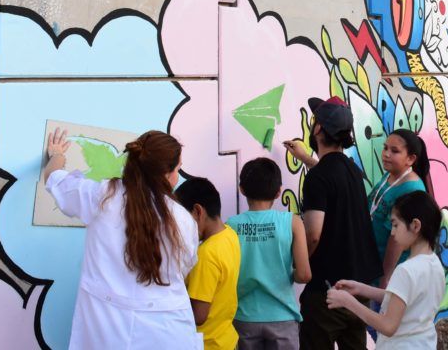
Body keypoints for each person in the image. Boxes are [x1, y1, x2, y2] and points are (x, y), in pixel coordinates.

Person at [43, 128, 201, 349]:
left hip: (107, 333)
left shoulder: (102, 196)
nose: (178, 175)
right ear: (167, 174)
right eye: (178, 169)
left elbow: (53, 178)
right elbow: (183, 268)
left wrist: (57, 155)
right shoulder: (183, 220)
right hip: (167, 333)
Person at [283, 96, 382, 350]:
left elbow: (313, 234)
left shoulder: (318, 178)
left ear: (317, 129)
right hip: (357, 286)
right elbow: (331, 182)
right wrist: (307, 159)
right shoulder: (352, 171)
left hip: (327, 291)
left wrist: (299, 267)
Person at [325, 191, 445, 348]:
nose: (393, 232)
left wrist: (347, 302)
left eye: (395, 225)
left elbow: (388, 326)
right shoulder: (434, 263)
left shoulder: (406, 270)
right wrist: (360, 289)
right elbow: (402, 298)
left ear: (415, 225)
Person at [226, 157, 312, 350]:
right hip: (282, 316)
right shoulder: (292, 222)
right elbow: (305, 275)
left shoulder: (230, 225)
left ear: (242, 189)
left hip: (243, 317)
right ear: (278, 191)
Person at [175, 177, 242, 350]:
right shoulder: (229, 234)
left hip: (208, 343)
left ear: (198, 211)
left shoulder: (206, 254)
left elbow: (199, 315)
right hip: (226, 338)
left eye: (180, 217)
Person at [368, 129, 430, 285]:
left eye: (394, 151)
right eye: (385, 148)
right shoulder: (390, 174)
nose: (386, 154)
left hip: (389, 272)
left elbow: (396, 239)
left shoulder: (411, 189)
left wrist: (385, 277)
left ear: (410, 159)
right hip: (373, 263)